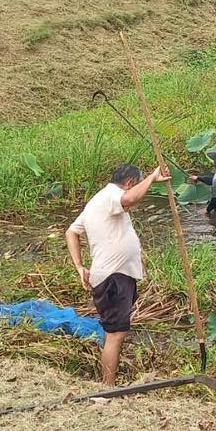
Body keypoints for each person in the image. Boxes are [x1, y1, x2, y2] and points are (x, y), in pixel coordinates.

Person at [65, 162, 168, 384]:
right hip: (113, 277)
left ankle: (109, 384)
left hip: (115, 275)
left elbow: (71, 232)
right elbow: (129, 199)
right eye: (136, 184)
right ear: (130, 183)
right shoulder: (112, 195)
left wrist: (79, 266)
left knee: (116, 332)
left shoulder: (98, 201)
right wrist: (152, 177)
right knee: (116, 334)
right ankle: (108, 388)